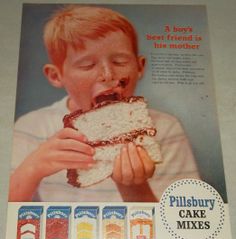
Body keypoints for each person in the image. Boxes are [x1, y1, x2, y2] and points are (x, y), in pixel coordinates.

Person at [9, 5, 200, 202]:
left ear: (139, 67)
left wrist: (133, 187)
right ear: (56, 76)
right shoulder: (31, 127)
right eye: (87, 65)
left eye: (119, 62)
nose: (107, 75)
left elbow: (177, 222)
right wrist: (33, 167)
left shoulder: (165, 129)